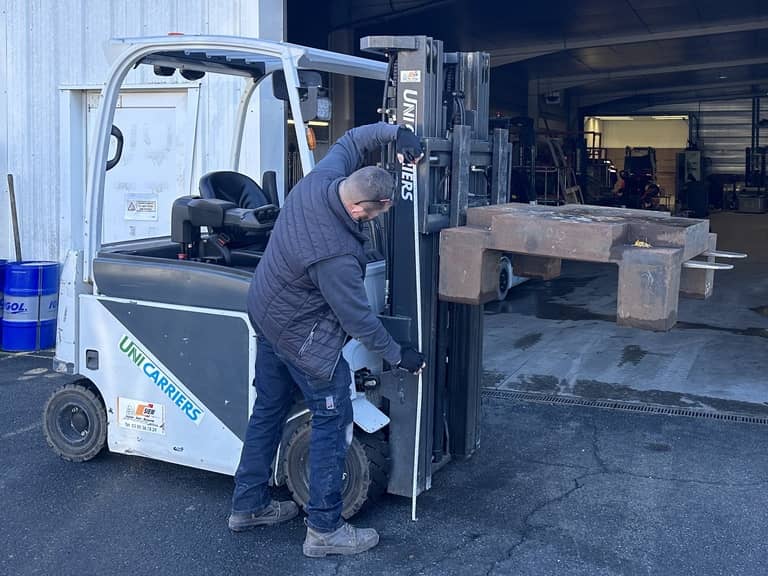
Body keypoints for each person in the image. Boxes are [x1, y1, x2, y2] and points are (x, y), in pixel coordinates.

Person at [228, 122, 427, 558]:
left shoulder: (321, 179)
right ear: (363, 210)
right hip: (300, 336)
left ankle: (249, 506)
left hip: (266, 312)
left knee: (268, 408)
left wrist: (398, 132)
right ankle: (324, 530)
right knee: (331, 418)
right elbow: (358, 320)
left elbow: (353, 140)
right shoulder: (335, 253)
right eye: (381, 212)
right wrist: (400, 356)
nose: (379, 218)